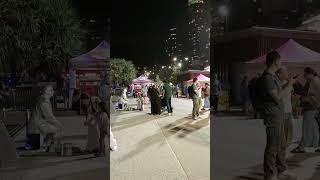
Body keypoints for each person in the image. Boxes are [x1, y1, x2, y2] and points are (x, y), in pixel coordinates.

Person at [257, 51, 296, 180]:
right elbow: (277, 97)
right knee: (272, 146)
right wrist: (289, 84)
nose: (281, 63)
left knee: (278, 145)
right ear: (275, 62)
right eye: (280, 61)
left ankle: (278, 171)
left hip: (278, 115)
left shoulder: (272, 76)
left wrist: (288, 84)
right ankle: (270, 175)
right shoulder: (268, 77)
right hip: (273, 116)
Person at [292, 67, 320, 153]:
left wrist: (301, 99)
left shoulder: (313, 81)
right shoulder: (315, 80)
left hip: (311, 108)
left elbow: (311, 97)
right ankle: (315, 144)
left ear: (309, 74)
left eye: (305, 74)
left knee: (307, 128)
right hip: (315, 108)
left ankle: (302, 147)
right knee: (314, 128)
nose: (304, 76)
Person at [29, 85, 63, 152]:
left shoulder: (42, 99)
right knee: (57, 129)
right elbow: (49, 117)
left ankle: (45, 146)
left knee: (53, 128)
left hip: (37, 122)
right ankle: (52, 148)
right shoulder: (44, 102)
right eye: (52, 90)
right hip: (38, 124)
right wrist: (58, 123)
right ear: (48, 92)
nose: (53, 92)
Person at [276, 67, 294, 147]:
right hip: (281, 110)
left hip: (289, 109)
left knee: (289, 129)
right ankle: (282, 145)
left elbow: (291, 94)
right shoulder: (277, 83)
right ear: (279, 74)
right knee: (282, 130)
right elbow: (280, 93)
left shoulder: (288, 82)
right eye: (285, 72)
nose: (287, 73)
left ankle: (286, 144)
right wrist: (289, 83)